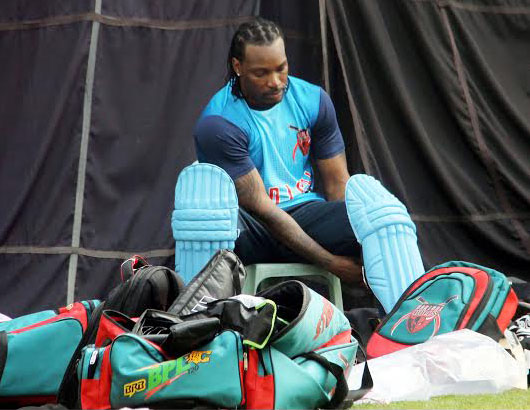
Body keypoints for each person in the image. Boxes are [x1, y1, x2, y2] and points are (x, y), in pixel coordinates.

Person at [194, 17, 362, 284]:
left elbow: (337, 184)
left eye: (281, 69)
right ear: (238, 67)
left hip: (305, 213)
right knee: (220, 225)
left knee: (378, 219)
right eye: (261, 73)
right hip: (252, 228)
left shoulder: (312, 100)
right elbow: (263, 210)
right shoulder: (220, 122)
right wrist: (333, 264)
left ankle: (402, 319)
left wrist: (344, 235)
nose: (275, 81)